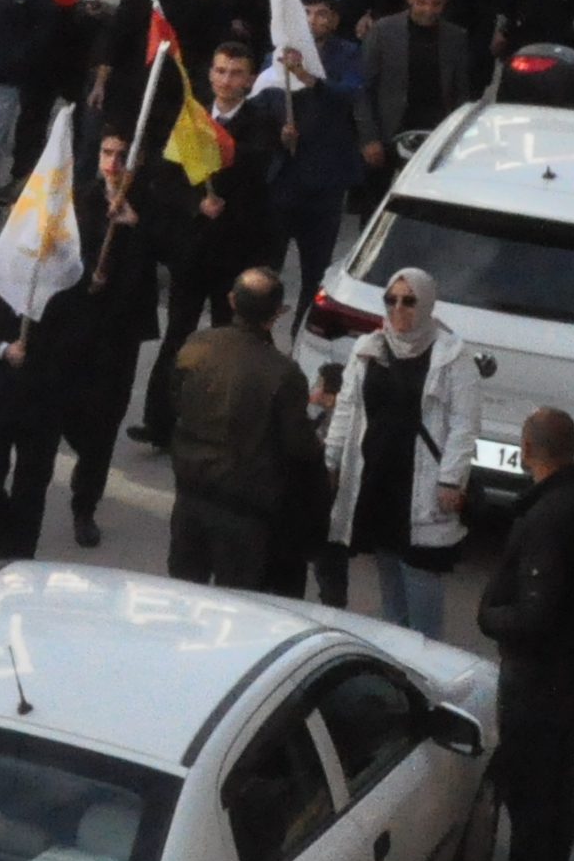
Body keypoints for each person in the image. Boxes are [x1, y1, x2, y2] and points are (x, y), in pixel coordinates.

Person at [458, 409, 574, 861]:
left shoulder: (547, 520)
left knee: (531, 797)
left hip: (539, 682)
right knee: (556, 789)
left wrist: (489, 616)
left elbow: (533, 614)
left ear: (527, 449)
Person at [314, 269, 472, 637]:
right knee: (388, 566)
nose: (399, 308)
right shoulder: (368, 348)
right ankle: (399, 655)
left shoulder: (453, 356)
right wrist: (332, 462)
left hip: (423, 480)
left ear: (427, 304)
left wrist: (452, 478)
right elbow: (347, 410)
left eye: (409, 300)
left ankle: (428, 661)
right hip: (377, 476)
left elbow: (464, 425)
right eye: (392, 300)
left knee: (419, 570)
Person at [161, 270, 320, 590]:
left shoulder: (198, 345)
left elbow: (175, 398)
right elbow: (298, 446)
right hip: (244, 510)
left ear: (232, 300)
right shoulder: (282, 373)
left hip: (191, 493)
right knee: (236, 608)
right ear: (278, 313)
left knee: (181, 595)